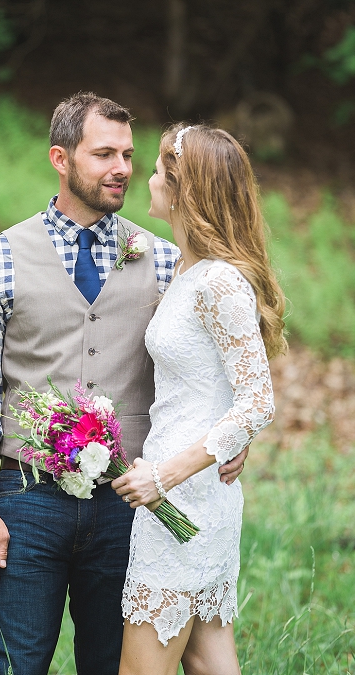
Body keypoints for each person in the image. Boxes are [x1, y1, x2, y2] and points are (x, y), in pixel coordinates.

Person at [0, 93, 247, 675]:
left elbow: (208, 369)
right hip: (25, 499)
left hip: (130, 504)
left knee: (112, 665)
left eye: (130, 155)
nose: (123, 169)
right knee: (14, 664)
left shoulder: (167, 261)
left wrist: (234, 436)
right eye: (104, 153)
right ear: (60, 158)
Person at [112, 124, 285, 675]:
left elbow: (257, 401)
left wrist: (166, 476)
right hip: (184, 493)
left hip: (180, 497)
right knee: (212, 662)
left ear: (187, 190)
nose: (150, 178)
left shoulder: (220, 282)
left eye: (161, 172)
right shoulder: (187, 271)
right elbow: (216, 393)